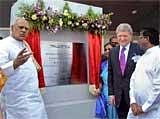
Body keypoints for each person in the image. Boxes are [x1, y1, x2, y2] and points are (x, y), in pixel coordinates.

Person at [0, 18, 48, 119]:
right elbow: (1, 72)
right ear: (12, 28)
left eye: (26, 28)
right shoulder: (3, 44)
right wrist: (15, 63)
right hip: (17, 100)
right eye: (20, 27)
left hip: (34, 96)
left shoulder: (25, 45)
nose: (23, 30)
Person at [108, 23, 144, 119]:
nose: (122, 38)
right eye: (120, 36)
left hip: (136, 95)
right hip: (119, 95)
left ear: (131, 36)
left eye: (125, 36)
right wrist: (111, 93)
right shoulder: (113, 52)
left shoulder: (139, 49)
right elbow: (110, 73)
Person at [127, 28, 160, 119]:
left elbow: (158, 87)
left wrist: (144, 107)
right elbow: (133, 80)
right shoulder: (142, 57)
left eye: (140, 38)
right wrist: (133, 101)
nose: (138, 41)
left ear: (147, 39)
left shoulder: (158, 56)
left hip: (153, 112)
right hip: (136, 109)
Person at [98, 42, 118, 119]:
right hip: (104, 92)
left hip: (114, 92)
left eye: (109, 49)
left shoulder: (118, 63)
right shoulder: (103, 63)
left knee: (113, 113)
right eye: (105, 49)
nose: (107, 51)